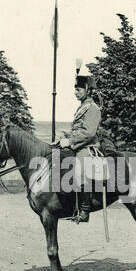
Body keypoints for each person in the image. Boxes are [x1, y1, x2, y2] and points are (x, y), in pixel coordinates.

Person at [60, 75, 101, 222]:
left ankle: (84, 211)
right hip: (77, 145)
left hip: (87, 147)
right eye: (75, 90)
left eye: (78, 90)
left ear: (87, 90)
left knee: (80, 169)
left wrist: (70, 142)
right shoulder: (82, 107)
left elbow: (89, 133)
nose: (75, 92)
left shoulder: (93, 108)